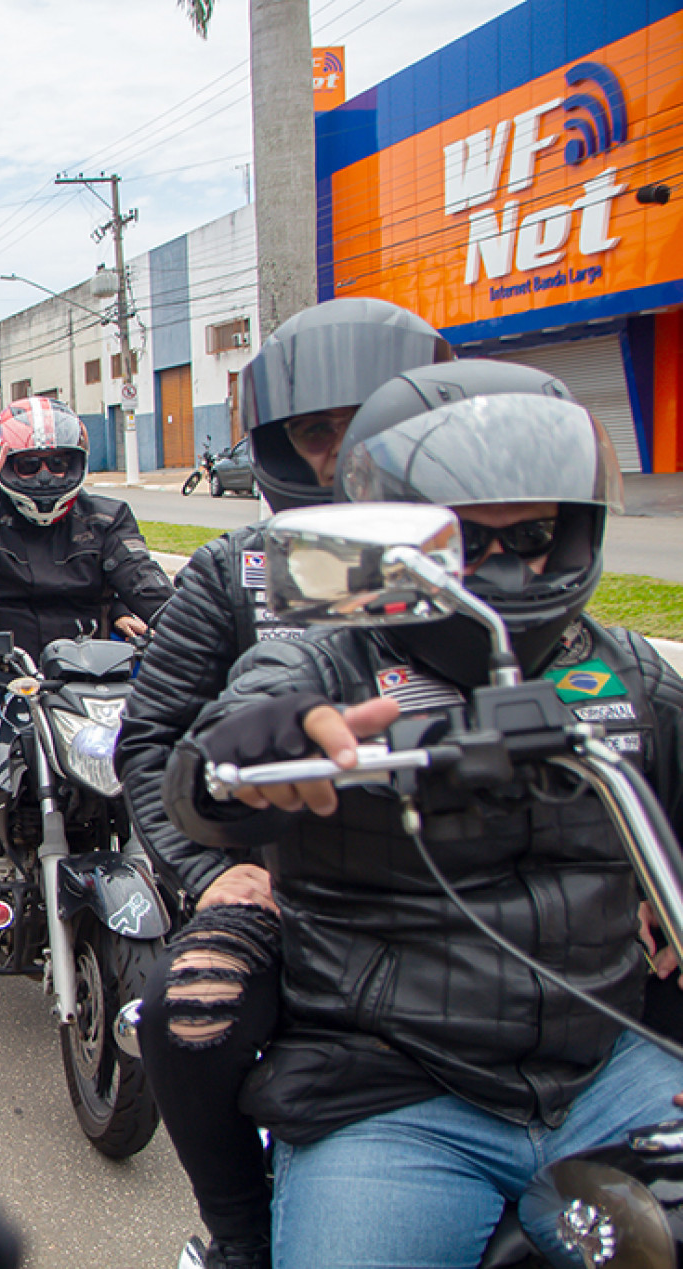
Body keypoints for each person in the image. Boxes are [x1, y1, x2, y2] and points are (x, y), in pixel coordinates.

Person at [163, 389, 683, 1268]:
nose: (502, 568)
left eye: (528, 538)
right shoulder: (320, 655)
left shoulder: (625, 672)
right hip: (390, 1090)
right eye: (459, 543)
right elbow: (208, 773)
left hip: (607, 1070)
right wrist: (261, 743)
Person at [116, 297, 455, 1269]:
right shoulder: (237, 571)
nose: (350, 452)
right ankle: (240, 1237)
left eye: (381, 420)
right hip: (291, 881)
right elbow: (153, 745)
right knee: (188, 1019)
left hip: (488, 872)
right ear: (283, 448)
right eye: (320, 432)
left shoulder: (501, 557)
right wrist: (207, 873)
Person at [0, 397, 172, 938]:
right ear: (2, 461)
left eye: (57, 462)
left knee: (174, 741)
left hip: (91, 674)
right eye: (29, 464)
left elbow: (144, 581)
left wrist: (184, 624)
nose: (45, 475)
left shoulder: (106, 517)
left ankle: (174, 866)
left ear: (77, 464)